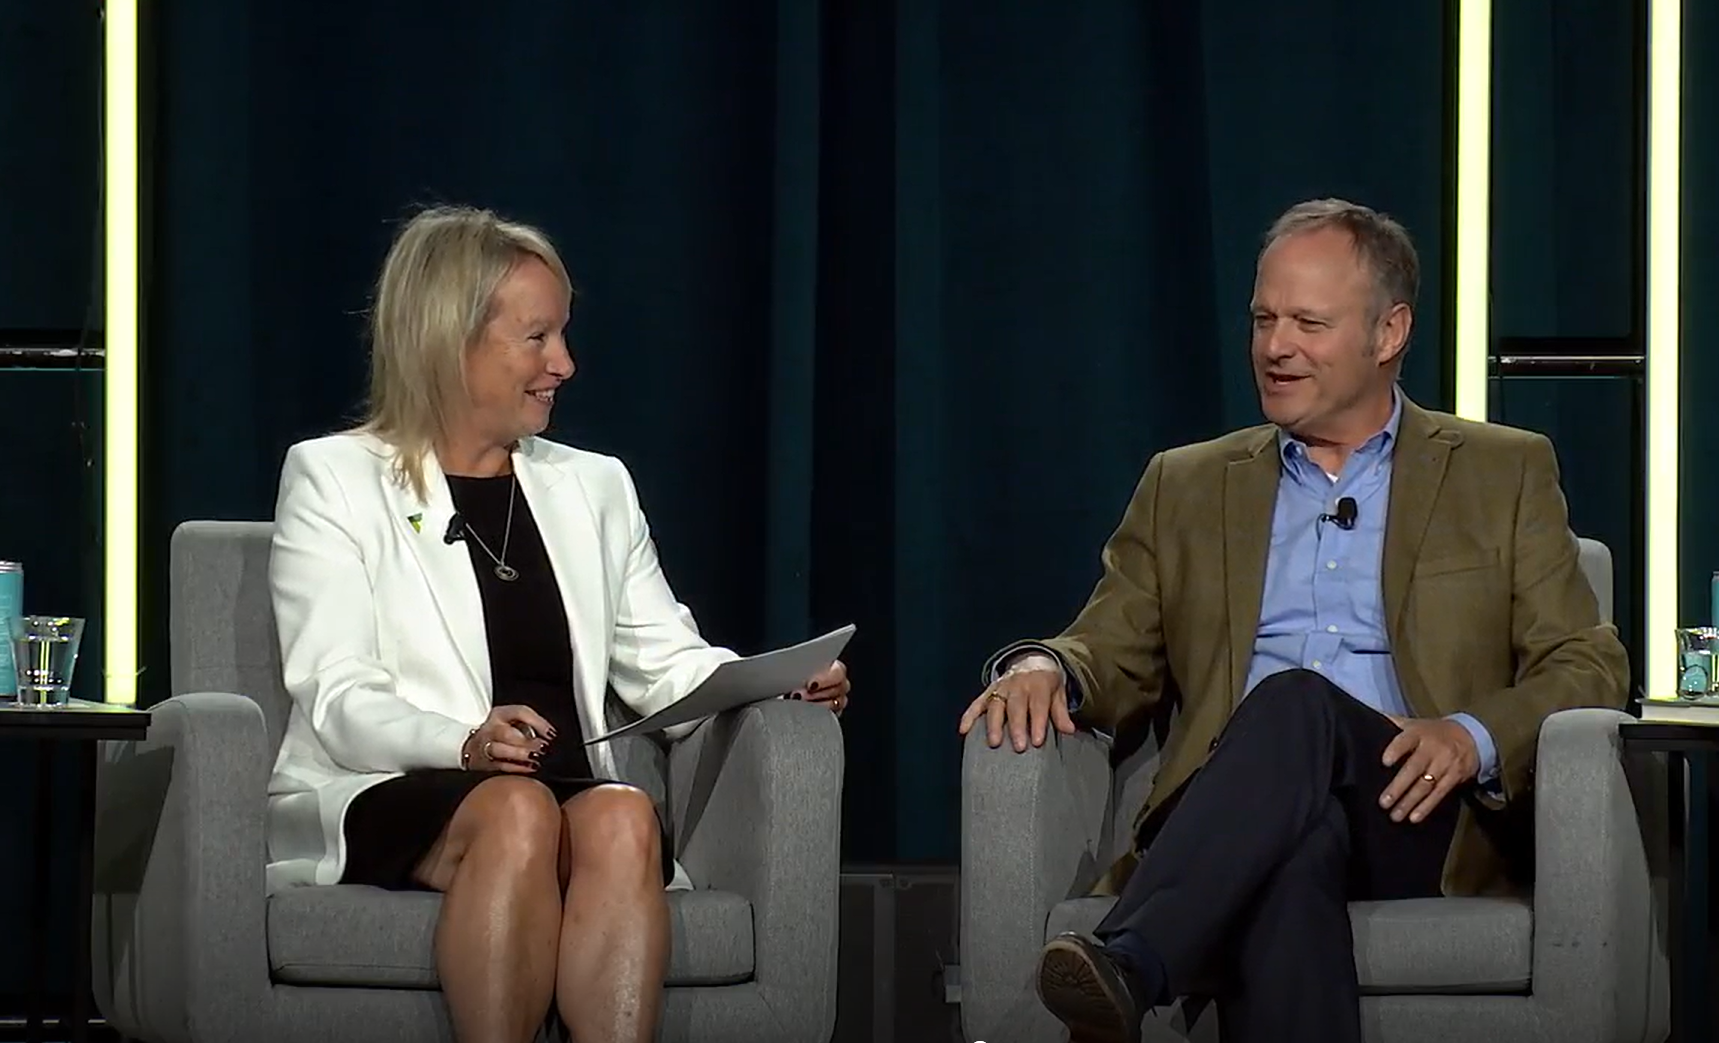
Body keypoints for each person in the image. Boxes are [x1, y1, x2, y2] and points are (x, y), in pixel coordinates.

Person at [957, 198, 1628, 1043]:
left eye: (1309, 323)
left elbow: (1587, 663)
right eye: (1264, 319)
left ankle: (1133, 958)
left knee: (1297, 701)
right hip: (1238, 808)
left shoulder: (1504, 470)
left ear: (1389, 333)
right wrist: (1041, 665)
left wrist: (1468, 734)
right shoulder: (1187, 484)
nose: (1276, 348)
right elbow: (1111, 645)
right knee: (1295, 847)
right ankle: (1135, 966)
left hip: (1412, 810)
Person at [265, 204, 851, 1043]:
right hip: (393, 782)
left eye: (563, 336)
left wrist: (774, 680)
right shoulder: (335, 479)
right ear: (447, 340)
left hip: (560, 792)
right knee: (514, 810)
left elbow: (665, 660)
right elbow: (336, 690)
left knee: (622, 814)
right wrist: (464, 741)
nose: (564, 364)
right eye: (536, 339)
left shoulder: (594, 487)